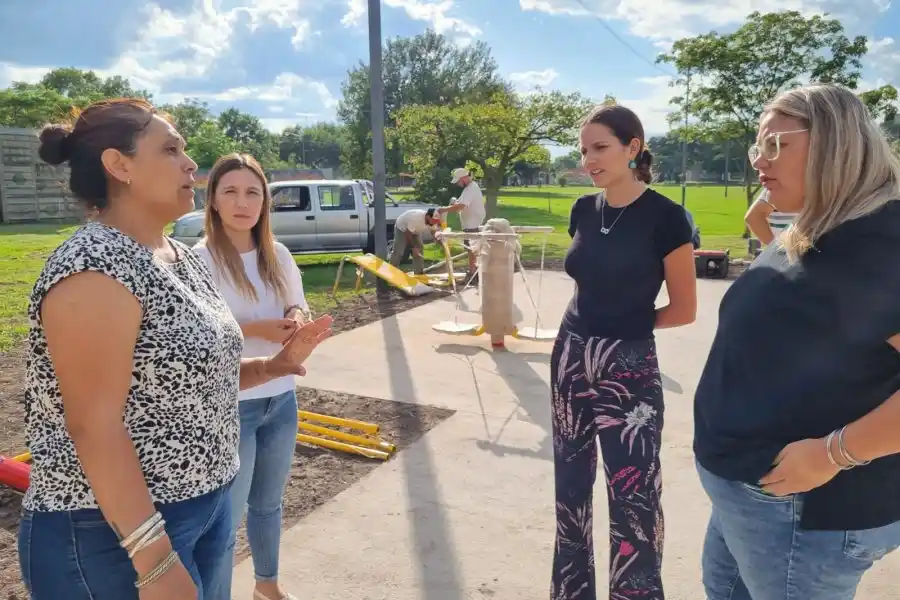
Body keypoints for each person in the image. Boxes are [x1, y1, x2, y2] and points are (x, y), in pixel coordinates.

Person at [20, 98, 332, 600]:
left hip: (202, 509)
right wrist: (155, 560)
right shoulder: (94, 265)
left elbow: (196, 379)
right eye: (170, 149)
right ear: (119, 166)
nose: (191, 164)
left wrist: (275, 365)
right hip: (111, 536)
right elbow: (94, 426)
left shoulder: (178, 258)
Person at [693, 83, 900, 599]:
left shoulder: (884, 242)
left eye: (775, 145)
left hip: (804, 510)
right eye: (755, 147)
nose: (759, 162)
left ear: (834, 144)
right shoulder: (824, 224)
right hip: (750, 493)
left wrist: (834, 454)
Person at [551, 104, 697, 600]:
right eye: (584, 150)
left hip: (628, 369)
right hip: (570, 358)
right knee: (570, 487)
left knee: (632, 493)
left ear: (633, 147)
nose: (589, 160)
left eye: (601, 148)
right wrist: (585, 338)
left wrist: (626, 329)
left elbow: (684, 309)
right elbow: (586, 283)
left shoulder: (667, 217)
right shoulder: (583, 210)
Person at [192, 153, 308, 600]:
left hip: (282, 398)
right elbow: (196, 338)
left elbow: (296, 303)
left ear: (264, 202)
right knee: (227, 516)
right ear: (214, 201)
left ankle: (267, 584)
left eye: (253, 192)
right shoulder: (199, 261)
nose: (243, 202)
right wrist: (257, 330)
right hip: (231, 404)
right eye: (230, 191)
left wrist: (296, 317)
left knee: (268, 505)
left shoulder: (277, 254)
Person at [439, 168, 486, 277]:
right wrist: (454, 202)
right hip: (470, 223)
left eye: (459, 181)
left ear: (464, 178)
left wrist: (445, 209)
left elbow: (461, 206)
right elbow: (460, 203)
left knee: (472, 249)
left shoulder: (471, 189)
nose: (458, 184)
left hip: (472, 223)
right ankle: (474, 271)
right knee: (471, 249)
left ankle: (473, 273)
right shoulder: (469, 189)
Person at [389, 207, 442, 274]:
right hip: (402, 229)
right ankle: (392, 270)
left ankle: (419, 272)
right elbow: (408, 233)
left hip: (415, 231)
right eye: (434, 220)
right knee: (399, 251)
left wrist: (440, 242)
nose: (435, 222)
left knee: (420, 248)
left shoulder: (432, 222)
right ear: (428, 216)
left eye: (436, 221)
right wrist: (413, 248)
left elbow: (433, 232)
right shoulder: (416, 219)